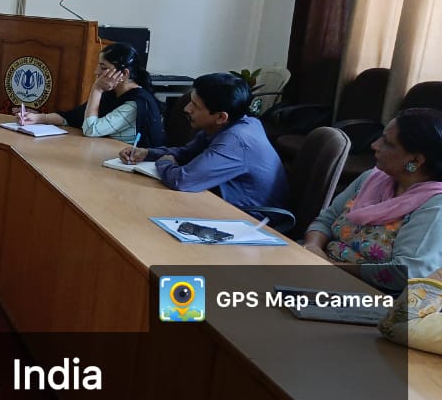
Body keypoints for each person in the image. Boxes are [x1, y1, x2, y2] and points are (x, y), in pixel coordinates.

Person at [303, 108, 442, 293]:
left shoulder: (434, 207)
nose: (375, 145)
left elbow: (404, 273)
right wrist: (313, 246)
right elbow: (325, 220)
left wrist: (330, 266)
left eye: (387, 143)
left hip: (368, 292)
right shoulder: (371, 178)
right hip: (320, 270)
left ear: (415, 160)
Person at [119, 72, 288, 210]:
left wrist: (164, 162)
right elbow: (186, 153)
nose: (187, 109)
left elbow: (182, 180)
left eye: (195, 106)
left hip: (252, 220)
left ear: (221, 117)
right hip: (220, 203)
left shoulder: (236, 140)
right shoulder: (230, 124)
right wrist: (148, 153)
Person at [17, 43, 165, 146]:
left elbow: (91, 130)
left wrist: (97, 89)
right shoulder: (113, 93)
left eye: (103, 68)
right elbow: (73, 117)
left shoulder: (135, 104)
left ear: (124, 74)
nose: (96, 72)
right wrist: (38, 118)